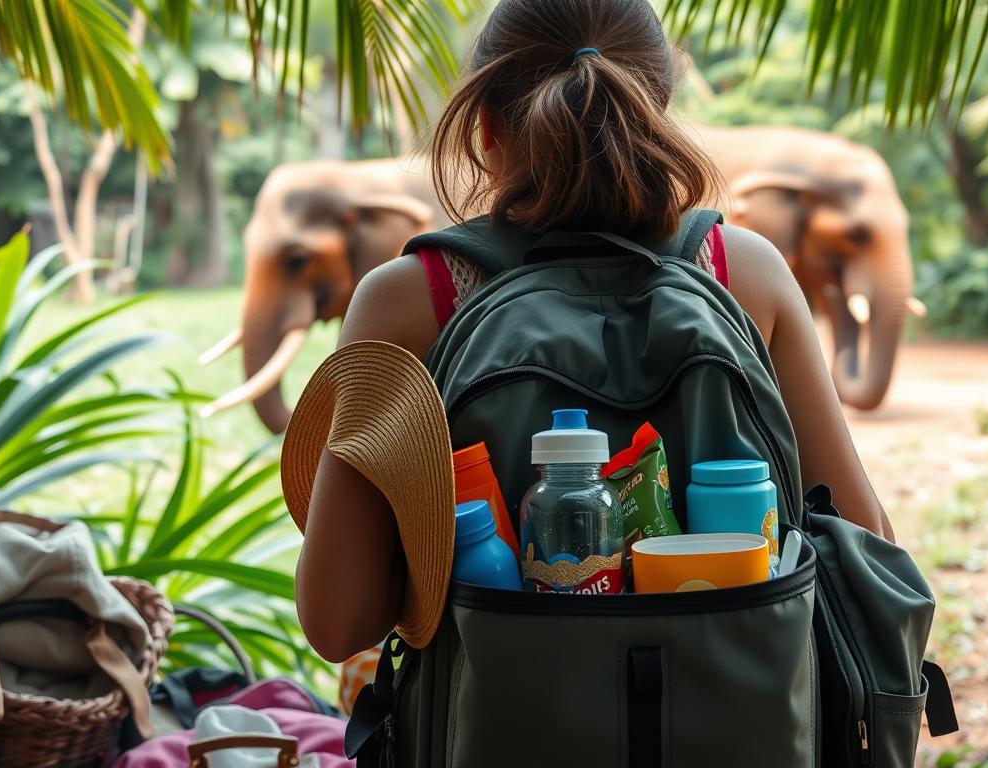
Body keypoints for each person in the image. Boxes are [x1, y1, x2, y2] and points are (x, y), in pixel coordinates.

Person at [295, 0, 895, 664]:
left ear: (485, 123)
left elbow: (336, 623)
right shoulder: (745, 272)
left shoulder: (408, 298)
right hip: (742, 725)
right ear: (658, 107)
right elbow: (865, 547)